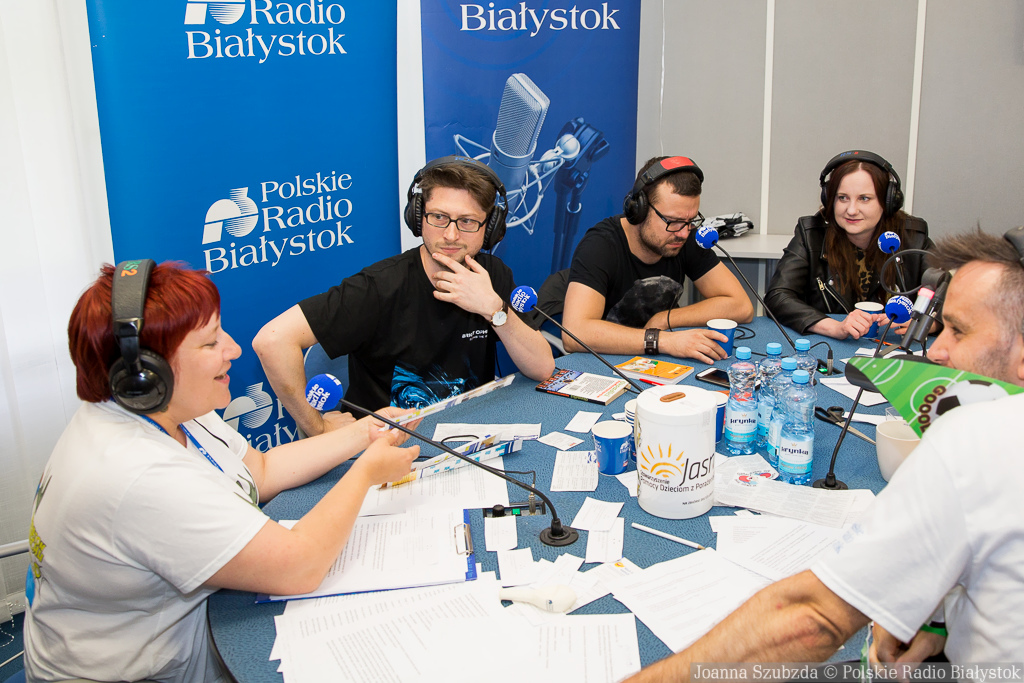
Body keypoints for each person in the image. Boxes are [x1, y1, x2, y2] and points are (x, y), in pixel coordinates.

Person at [625, 228, 1024, 679]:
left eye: (960, 331)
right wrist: (936, 619)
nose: (937, 350)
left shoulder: (979, 436)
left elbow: (810, 621)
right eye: (942, 326)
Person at [23, 260, 419, 683]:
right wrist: (364, 474)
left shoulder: (169, 406)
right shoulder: (138, 474)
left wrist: (363, 433)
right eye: (211, 343)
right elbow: (300, 567)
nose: (233, 349)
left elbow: (262, 470)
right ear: (146, 375)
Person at [254, 155, 555, 436]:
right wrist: (317, 428)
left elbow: (541, 368)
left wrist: (493, 309)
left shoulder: (491, 275)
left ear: (490, 229)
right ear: (418, 217)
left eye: (467, 221)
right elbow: (272, 340)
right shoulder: (378, 287)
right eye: (439, 217)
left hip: (468, 432)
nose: (451, 235)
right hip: (387, 444)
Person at [562, 156, 753, 364]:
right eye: (672, 221)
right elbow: (575, 333)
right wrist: (662, 340)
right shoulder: (600, 245)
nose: (683, 233)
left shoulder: (684, 235)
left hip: (654, 359)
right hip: (604, 362)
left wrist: (665, 318)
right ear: (639, 209)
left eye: (690, 220)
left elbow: (742, 306)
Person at [765, 150, 934, 339]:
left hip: (893, 345)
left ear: (887, 202)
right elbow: (778, 296)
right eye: (843, 198)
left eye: (864, 198)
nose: (851, 210)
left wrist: (926, 322)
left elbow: (950, 299)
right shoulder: (812, 234)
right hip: (831, 346)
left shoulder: (912, 237)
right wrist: (834, 327)